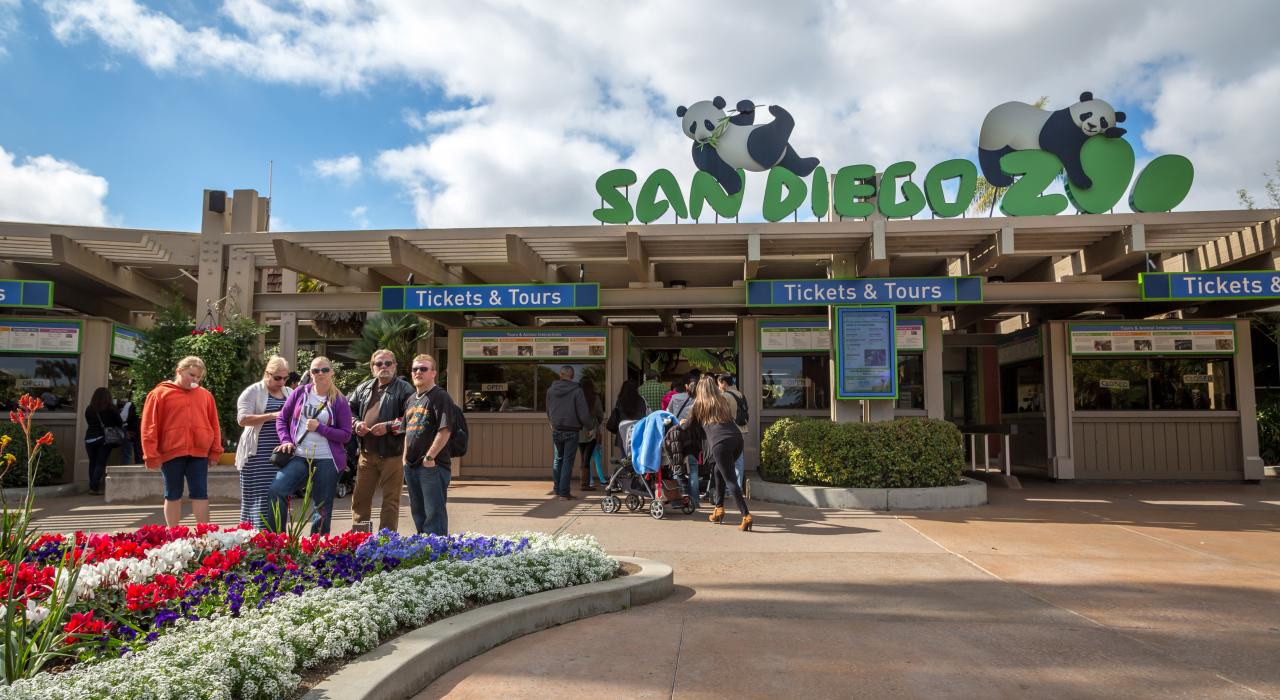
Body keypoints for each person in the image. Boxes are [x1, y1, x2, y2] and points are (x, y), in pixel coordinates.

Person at [267, 356, 353, 535]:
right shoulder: (300, 392)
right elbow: (282, 418)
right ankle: (277, 541)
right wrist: (286, 440)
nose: (320, 374)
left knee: (321, 506)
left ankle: (315, 548)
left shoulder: (340, 400)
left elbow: (346, 435)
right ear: (310, 373)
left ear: (332, 373)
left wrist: (321, 428)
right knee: (277, 489)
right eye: (315, 370)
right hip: (299, 455)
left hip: (327, 459)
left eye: (324, 370)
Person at [141, 356, 223, 526]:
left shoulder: (205, 395)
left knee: (200, 493)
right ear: (179, 371)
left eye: (198, 377)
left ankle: (204, 536)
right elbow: (149, 426)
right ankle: (173, 534)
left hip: (199, 452)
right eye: (192, 375)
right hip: (171, 452)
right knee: (172, 493)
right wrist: (150, 455)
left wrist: (215, 451)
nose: (195, 380)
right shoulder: (159, 394)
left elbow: (214, 424)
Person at [347, 349, 414, 532]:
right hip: (367, 454)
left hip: (392, 455)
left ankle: (386, 543)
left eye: (388, 363)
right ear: (372, 367)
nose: (383, 367)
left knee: (390, 502)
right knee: (360, 500)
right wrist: (356, 423)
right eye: (379, 364)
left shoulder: (404, 388)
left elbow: (413, 418)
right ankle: (360, 540)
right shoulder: (364, 387)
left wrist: (388, 427)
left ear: (395, 366)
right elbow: (348, 411)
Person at [687, 376, 752, 531]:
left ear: (699, 390)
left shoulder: (699, 404)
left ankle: (746, 515)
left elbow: (688, 426)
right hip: (737, 440)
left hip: (720, 443)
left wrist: (682, 423)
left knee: (730, 480)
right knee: (718, 470)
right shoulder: (722, 401)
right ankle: (718, 509)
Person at [234, 356, 292, 529]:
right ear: (267, 374)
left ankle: (276, 538)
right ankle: (255, 538)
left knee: (278, 494)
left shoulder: (288, 392)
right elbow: (242, 419)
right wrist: (272, 415)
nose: (282, 382)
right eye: (277, 378)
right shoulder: (253, 391)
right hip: (257, 454)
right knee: (259, 497)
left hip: (281, 456)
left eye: (285, 378)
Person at [402, 354, 455, 535]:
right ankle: (423, 552)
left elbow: (445, 430)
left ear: (433, 373)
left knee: (434, 514)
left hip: (432, 466)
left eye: (423, 369)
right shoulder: (411, 399)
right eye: (415, 369)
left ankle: (438, 556)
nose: (418, 372)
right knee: (418, 513)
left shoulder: (440, 397)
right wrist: (404, 460)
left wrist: (430, 457)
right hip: (411, 466)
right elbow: (406, 431)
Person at [545, 365, 590, 500]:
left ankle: (557, 489)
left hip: (556, 428)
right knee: (567, 462)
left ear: (560, 375)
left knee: (558, 459)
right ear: (572, 376)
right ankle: (564, 492)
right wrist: (589, 426)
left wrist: (551, 422)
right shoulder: (577, 391)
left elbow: (548, 409)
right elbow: (583, 412)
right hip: (571, 430)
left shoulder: (551, 390)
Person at [666, 371, 703, 506]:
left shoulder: (675, 398)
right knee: (693, 469)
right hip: (693, 437)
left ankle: (678, 500)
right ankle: (695, 501)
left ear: (686, 386)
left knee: (677, 468)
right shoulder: (700, 401)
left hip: (677, 437)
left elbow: (668, 416)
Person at [84, 387, 123, 495]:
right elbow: (119, 423)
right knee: (100, 463)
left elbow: (88, 421)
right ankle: (94, 486)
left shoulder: (89, 408)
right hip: (104, 439)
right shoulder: (111, 409)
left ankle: (92, 487)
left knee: (92, 462)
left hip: (89, 439)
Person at [718, 374, 748, 490]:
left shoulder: (725, 396)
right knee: (739, 459)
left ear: (724, 383)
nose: (719, 386)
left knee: (727, 459)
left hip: (730, 431)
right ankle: (738, 487)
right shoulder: (740, 394)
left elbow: (721, 415)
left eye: (719, 383)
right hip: (742, 429)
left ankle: (729, 488)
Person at [577, 376, 604, 491]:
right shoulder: (595, 398)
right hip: (591, 431)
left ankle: (584, 482)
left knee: (583, 457)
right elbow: (600, 415)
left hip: (578, 431)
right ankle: (585, 484)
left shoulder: (577, 397)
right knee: (586, 458)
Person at [117, 396, 142, 466]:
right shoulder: (141, 405)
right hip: (138, 431)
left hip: (130, 430)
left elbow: (123, 418)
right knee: (138, 452)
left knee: (127, 454)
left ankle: (125, 470)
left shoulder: (130, 404)